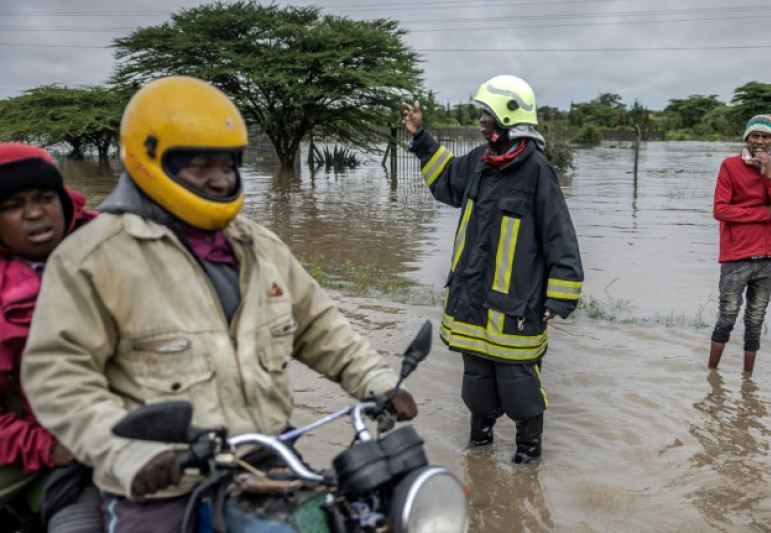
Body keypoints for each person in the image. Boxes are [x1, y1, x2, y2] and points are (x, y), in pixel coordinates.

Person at [21, 76, 417, 532]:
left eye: (228, 163)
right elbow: (60, 376)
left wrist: (378, 383)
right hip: (163, 487)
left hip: (268, 461)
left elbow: (319, 327)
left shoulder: (260, 246)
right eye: (201, 165)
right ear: (150, 161)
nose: (221, 178)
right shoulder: (91, 258)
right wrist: (127, 454)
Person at [401, 74, 583, 464]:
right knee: (477, 386)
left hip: (516, 309)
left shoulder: (537, 170)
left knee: (520, 390)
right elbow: (446, 179)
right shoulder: (480, 161)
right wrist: (420, 138)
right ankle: (479, 456)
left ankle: (527, 460)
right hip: (471, 301)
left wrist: (559, 297)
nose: (481, 121)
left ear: (507, 117)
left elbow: (560, 236)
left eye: (486, 115)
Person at [0, 143, 101, 532]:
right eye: (13, 205)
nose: (34, 213)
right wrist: (46, 447)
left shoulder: (109, 243)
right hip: (31, 438)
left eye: (44, 198)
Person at [709, 114, 771, 374]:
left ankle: (748, 380)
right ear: (747, 138)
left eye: (766, 136)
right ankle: (712, 375)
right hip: (736, 255)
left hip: (768, 257)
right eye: (755, 135)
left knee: (756, 320)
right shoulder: (730, 166)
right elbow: (720, 210)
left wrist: (770, 175)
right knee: (727, 316)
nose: (760, 141)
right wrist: (764, 213)